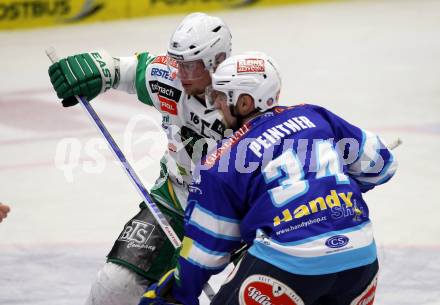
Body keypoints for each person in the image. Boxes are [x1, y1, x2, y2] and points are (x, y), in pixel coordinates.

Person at [138, 52, 398, 305]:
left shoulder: (222, 161)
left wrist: (175, 293)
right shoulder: (315, 116)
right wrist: (328, 191)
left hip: (290, 265)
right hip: (360, 258)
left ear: (244, 102)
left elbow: (205, 253)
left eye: (220, 96)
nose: (215, 103)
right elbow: (382, 165)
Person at [48, 12, 233, 305]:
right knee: (113, 287)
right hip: (175, 198)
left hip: (236, 212)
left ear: (218, 60)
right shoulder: (169, 77)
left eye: (191, 66)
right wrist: (99, 71)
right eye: (179, 63)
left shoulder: (243, 95)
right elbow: (125, 70)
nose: (181, 73)